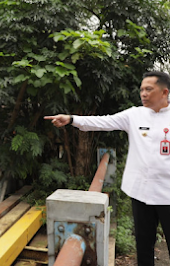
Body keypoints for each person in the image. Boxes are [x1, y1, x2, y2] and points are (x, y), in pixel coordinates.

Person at [44, 71, 170, 266]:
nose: (143, 93)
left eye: (149, 89)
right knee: (144, 247)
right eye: (142, 89)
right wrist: (71, 119)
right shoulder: (134, 115)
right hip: (140, 193)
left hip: (168, 195)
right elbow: (103, 122)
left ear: (164, 93)